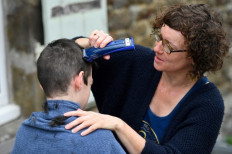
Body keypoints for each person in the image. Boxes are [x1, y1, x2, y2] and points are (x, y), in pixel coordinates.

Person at [64, 4, 229, 154]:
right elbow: (63, 54)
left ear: (194, 57)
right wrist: (89, 42)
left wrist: (118, 125)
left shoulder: (208, 104)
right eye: (159, 37)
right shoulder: (139, 61)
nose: (157, 48)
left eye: (168, 46)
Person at [11, 39, 125, 154]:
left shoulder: (24, 132)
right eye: (90, 83)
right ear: (80, 80)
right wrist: (119, 124)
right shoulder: (101, 139)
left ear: (42, 86)